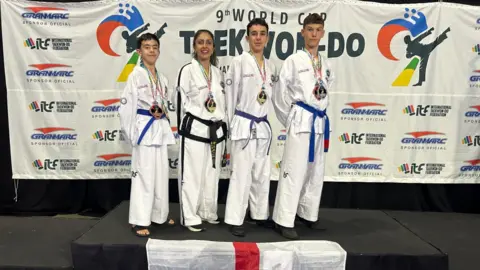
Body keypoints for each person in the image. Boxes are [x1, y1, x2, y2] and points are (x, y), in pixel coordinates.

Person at [271, 13, 335, 240]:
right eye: (310, 29)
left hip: (318, 122)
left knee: (314, 171)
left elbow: (326, 92)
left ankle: (308, 213)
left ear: (323, 33)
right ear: (302, 33)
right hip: (300, 120)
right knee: (293, 170)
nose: (314, 34)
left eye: (318, 29)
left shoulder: (325, 64)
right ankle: (283, 219)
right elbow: (279, 95)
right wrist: (290, 118)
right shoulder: (293, 61)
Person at [119, 33, 176, 237]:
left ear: (158, 51)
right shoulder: (135, 75)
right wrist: (133, 133)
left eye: (154, 47)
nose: (151, 50)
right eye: (147, 47)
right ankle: (139, 220)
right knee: (143, 176)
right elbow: (126, 108)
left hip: (159, 129)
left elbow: (165, 105)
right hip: (143, 129)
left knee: (161, 175)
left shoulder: (162, 78)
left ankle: (159, 215)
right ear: (139, 51)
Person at [223, 18, 276, 237]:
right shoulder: (239, 62)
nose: (258, 37)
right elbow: (229, 97)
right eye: (253, 33)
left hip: (262, 125)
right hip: (243, 124)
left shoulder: (271, 65)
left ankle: (259, 215)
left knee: (262, 173)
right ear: (247, 38)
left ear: (267, 37)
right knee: (241, 174)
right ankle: (236, 218)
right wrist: (229, 125)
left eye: (262, 33)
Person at [173, 29, 228, 232]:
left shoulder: (218, 73)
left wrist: (225, 130)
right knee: (193, 174)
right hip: (194, 129)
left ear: (213, 47)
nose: (204, 46)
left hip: (215, 130)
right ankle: (189, 215)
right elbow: (179, 102)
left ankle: (208, 211)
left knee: (211, 173)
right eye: (200, 42)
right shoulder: (187, 70)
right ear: (194, 47)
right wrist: (181, 130)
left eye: (208, 42)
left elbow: (223, 104)